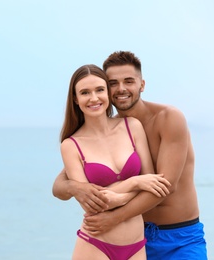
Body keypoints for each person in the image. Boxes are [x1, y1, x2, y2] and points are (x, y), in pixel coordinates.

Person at [53, 51, 207, 259]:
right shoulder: (110, 132)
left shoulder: (169, 118)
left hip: (179, 237)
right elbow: (60, 185)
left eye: (128, 81)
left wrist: (115, 217)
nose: (121, 89)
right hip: (136, 237)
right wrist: (75, 187)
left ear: (141, 85)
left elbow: (166, 185)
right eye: (113, 83)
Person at [58, 64, 171, 260]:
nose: (94, 98)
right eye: (85, 92)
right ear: (76, 99)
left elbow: (152, 183)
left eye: (99, 90)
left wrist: (118, 198)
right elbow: (92, 204)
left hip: (136, 245)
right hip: (95, 245)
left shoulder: (132, 127)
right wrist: (134, 182)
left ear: (108, 94)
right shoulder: (71, 145)